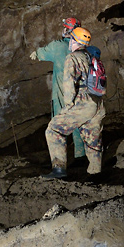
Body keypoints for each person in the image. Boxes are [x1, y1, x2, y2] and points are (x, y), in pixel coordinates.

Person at [42, 27, 106, 179]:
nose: (69, 42)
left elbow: (69, 84)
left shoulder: (72, 57)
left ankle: (58, 169)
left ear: (76, 41)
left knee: (53, 129)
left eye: (71, 39)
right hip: (97, 102)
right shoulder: (92, 56)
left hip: (83, 103)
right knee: (92, 139)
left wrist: (68, 106)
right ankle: (95, 174)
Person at [29, 17, 87, 160]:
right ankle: (81, 155)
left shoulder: (58, 46)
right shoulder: (86, 49)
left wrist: (35, 54)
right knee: (78, 121)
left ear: (67, 30)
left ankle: (59, 162)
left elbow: (40, 54)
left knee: (58, 125)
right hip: (81, 91)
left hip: (62, 92)